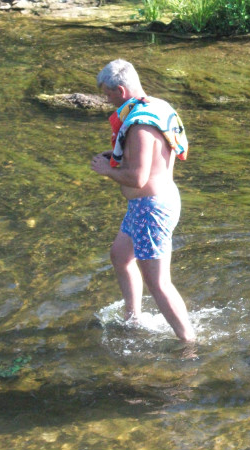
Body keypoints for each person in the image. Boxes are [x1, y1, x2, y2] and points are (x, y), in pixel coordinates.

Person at [91, 59, 195, 342]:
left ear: (121, 91)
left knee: (158, 282)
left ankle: (189, 342)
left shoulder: (139, 126)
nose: (107, 100)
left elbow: (137, 178)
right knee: (120, 255)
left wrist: (107, 170)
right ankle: (133, 317)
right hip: (147, 204)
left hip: (151, 208)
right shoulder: (158, 106)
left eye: (108, 94)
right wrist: (116, 158)